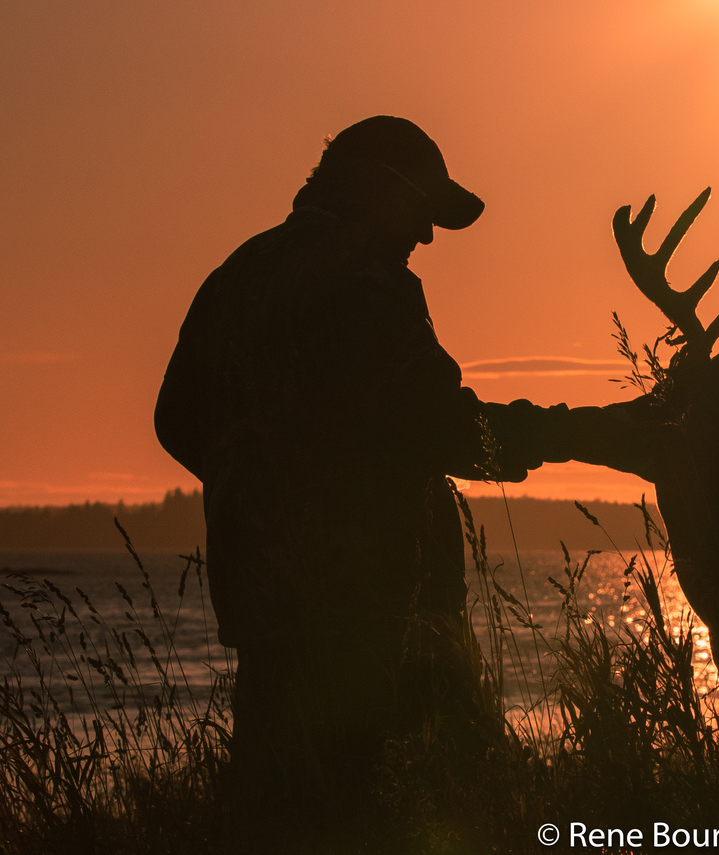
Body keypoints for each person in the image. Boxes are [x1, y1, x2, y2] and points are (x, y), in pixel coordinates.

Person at [154, 115, 644, 846]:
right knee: (394, 810)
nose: (427, 238)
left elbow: (175, 419)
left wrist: (258, 487)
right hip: (369, 614)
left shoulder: (239, 274)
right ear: (379, 193)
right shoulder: (366, 284)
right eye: (423, 213)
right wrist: (592, 431)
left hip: (262, 609)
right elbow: (443, 428)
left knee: (274, 814)